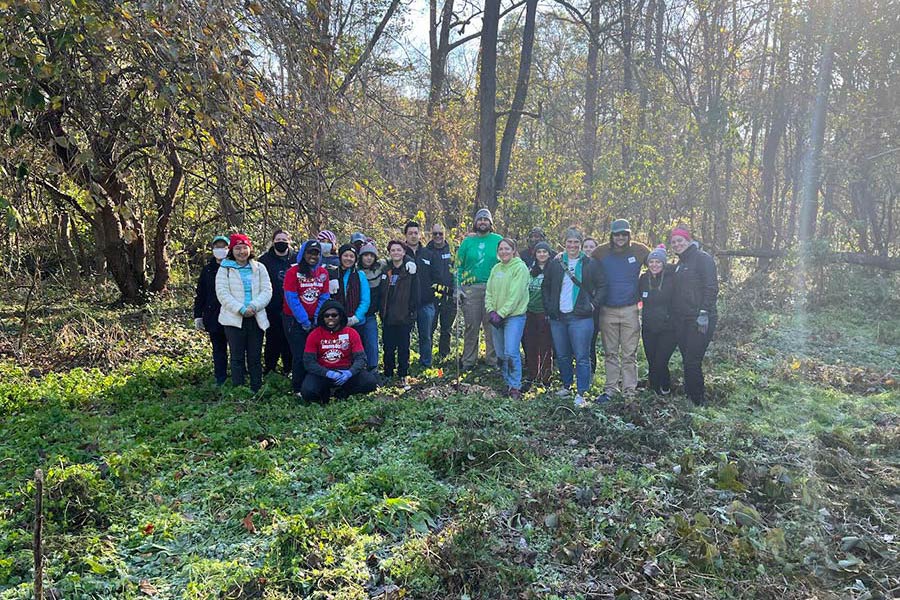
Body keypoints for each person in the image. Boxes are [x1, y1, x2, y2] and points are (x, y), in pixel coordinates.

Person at [543, 227, 606, 407]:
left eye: (576, 242)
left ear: (580, 244)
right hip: (558, 317)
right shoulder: (556, 263)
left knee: (582, 356)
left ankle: (581, 392)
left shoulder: (590, 264)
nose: (572, 245)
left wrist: (593, 305)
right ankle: (566, 385)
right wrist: (549, 308)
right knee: (562, 355)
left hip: (581, 317)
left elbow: (602, 286)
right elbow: (546, 286)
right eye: (569, 242)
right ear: (565, 243)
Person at [593, 219, 650, 401]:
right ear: (612, 235)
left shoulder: (640, 250)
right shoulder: (601, 252)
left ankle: (629, 391)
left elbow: (658, 263)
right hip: (607, 310)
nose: (620, 237)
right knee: (610, 352)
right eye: (617, 234)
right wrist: (558, 256)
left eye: (624, 234)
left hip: (630, 309)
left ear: (629, 235)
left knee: (629, 354)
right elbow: (581, 259)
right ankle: (610, 389)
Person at [215, 234, 273, 392]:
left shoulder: (259, 268)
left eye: (244, 247)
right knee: (237, 356)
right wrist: (240, 309)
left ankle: (256, 388)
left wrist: (254, 307)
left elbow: (267, 291)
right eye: (237, 248)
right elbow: (222, 293)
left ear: (250, 248)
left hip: (256, 317)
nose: (241, 251)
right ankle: (238, 389)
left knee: (254, 356)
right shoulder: (225, 269)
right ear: (232, 250)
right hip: (233, 319)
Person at [669, 226, 719, 404]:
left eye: (680, 241)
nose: (677, 244)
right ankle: (689, 395)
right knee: (687, 358)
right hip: (682, 319)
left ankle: (697, 401)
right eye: (674, 242)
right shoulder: (680, 263)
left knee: (692, 359)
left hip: (700, 319)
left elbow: (711, 287)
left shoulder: (702, 258)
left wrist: (704, 312)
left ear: (689, 240)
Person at [300, 300, 379, 403]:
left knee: (370, 382)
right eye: (326, 316)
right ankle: (325, 394)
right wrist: (328, 373)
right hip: (323, 373)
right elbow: (308, 362)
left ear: (340, 316)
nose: (330, 318)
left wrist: (350, 373)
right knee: (307, 392)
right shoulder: (314, 335)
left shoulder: (351, 333)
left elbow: (361, 358)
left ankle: (343, 393)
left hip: (346, 372)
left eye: (334, 315)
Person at [455, 208, 502, 370]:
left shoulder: (498, 240)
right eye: (480, 219)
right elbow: (458, 266)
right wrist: (457, 287)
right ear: (475, 223)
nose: (483, 222)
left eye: (486, 219)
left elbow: (507, 262)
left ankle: (492, 360)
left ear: (490, 223)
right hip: (471, 288)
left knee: (492, 326)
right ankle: (468, 361)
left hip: (493, 288)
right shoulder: (467, 242)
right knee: (471, 326)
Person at [283, 240, 331, 395]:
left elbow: (324, 296)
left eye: (316, 253)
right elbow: (292, 298)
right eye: (310, 252)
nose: (313, 256)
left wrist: (317, 318)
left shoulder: (323, 273)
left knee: (314, 354)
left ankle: (312, 386)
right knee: (300, 354)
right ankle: (297, 388)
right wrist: (304, 321)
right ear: (303, 253)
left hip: (315, 320)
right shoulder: (293, 272)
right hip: (294, 320)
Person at [485, 238, 530, 398]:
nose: (504, 252)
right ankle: (506, 381)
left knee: (511, 351)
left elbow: (515, 295)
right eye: (501, 249)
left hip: (514, 317)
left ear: (513, 250)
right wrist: (491, 310)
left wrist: (501, 313)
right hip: (496, 316)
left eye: (507, 249)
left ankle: (515, 386)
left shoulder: (520, 268)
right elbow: (489, 291)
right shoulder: (496, 268)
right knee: (500, 353)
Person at [639, 245, 677, 395]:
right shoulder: (643, 279)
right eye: (652, 262)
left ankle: (665, 388)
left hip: (668, 328)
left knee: (660, 361)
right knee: (652, 360)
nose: (654, 265)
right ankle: (654, 391)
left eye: (658, 262)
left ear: (664, 263)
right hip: (648, 327)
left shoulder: (672, 278)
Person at [258, 229, 297, 375]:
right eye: (278, 239)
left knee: (289, 340)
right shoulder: (264, 260)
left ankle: (289, 369)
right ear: (273, 241)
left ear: (289, 241)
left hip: (292, 307)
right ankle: (270, 369)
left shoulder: (296, 258)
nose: (281, 242)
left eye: (284, 239)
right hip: (271, 307)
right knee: (272, 339)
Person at [193, 235, 230, 385]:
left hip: (233, 313)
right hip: (213, 315)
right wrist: (198, 315)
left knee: (237, 348)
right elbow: (201, 294)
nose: (220, 250)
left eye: (223, 247)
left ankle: (239, 377)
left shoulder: (234, 267)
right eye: (217, 247)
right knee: (219, 349)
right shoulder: (207, 270)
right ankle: (220, 378)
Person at [381, 240, 418, 384]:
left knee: (404, 348)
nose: (396, 252)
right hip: (388, 316)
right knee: (388, 347)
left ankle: (403, 373)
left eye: (399, 250)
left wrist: (412, 312)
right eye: (393, 250)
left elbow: (415, 292)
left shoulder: (410, 269)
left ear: (404, 252)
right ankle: (388, 373)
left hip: (404, 316)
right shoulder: (385, 269)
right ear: (389, 253)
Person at [402, 221, 436, 368]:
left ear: (420, 234)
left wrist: (434, 296)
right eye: (410, 233)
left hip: (426, 302)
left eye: (416, 233)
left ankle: (426, 364)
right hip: (405, 304)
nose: (413, 236)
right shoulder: (400, 253)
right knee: (404, 336)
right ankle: (405, 364)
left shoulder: (428, 253)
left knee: (426, 336)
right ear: (406, 235)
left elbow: (436, 277)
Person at [522, 241, 553, 388]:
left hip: (544, 312)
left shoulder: (553, 270)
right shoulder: (529, 270)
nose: (542, 254)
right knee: (530, 345)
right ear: (535, 254)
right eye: (539, 252)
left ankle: (546, 378)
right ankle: (532, 375)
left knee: (545, 346)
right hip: (530, 311)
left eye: (544, 252)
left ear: (549, 254)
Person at [426, 224, 457, 361]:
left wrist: (457, 290)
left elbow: (459, 271)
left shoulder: (453, 250)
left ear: (445, 234)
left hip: (450, 296)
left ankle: (443, 356)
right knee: (429, 329)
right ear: (431, 235)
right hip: (431, 296)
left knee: (446, 329)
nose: (438, 236)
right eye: (435, 234)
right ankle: (427, 357)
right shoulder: (426, 251)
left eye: (440, 234)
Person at [358, 242, 386, 371]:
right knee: (357, 345)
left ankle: (373, 370)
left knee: (372, 344)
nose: (368, 258)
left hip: (371, 314)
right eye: (365, 255)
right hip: (356, 315)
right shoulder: (355, 270)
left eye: (371, 255)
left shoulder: (380, 267)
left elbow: (397, 257)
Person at [333, 243, 371, 331]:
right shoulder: (333, 273)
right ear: (340, 257)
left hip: (357, 322)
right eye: (345, 255)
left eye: (351, 256)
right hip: (336, 322)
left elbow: (365, 299)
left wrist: (356, 318)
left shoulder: (360, 275)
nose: (348, 259)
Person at [581, 236, 602, 372]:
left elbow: (602, 286)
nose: (588, 249)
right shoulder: (576, 263)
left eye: (591, 247)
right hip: (576, 309)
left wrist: (594, 303)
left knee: (590, 343)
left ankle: (591, 373)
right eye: (586, 247)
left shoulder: (599, 265)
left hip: (593, 309)